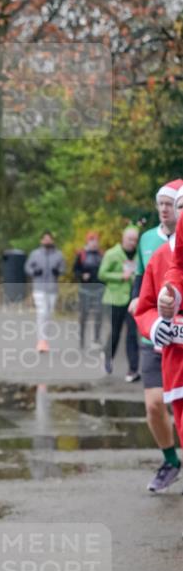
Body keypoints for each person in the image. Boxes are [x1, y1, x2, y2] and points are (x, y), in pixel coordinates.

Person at [128, 179, 183, 491]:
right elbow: (144, 299)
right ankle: (171, 461)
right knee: (154, 405)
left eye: (174, 204)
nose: (167, 210)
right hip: (159, 345)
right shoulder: (155, 248)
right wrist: (154, 323)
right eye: (166, 204)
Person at [98, 226, 140, 381]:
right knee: (115, 332)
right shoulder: (112, 254)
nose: (132, 243)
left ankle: (133, 369)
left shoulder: (138, 255)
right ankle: (107, 357)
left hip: (132, 299)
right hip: (114, 299)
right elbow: (102, 274)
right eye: (130, 239)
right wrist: (121, 276)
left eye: (135, 240)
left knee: (131, 333)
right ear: (123, 238)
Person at [24, 231, 65, 353]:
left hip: (52, 289)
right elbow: (27, 267)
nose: (47, 241)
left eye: (49, 239)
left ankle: (45, 340)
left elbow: (63, 268)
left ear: (52, 240)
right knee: (42, 313)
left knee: (49, 314)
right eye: (45, 239)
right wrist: (34, 272)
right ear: (41, 241)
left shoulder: (58, 254)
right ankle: (41, 341)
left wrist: (57, 271)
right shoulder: (35, 254)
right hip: (39, 288)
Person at [72, 231, 103, 350]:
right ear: (88, 241)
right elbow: (75, 270)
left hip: (99, 290)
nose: (94, 243)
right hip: (85, 290)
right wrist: (81, 275)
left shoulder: (102, 255)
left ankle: (96, 339)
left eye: (96, 240)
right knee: (84, 315)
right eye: (92, 240)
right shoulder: (81, 255)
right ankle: (82, 339)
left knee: (99, 314)